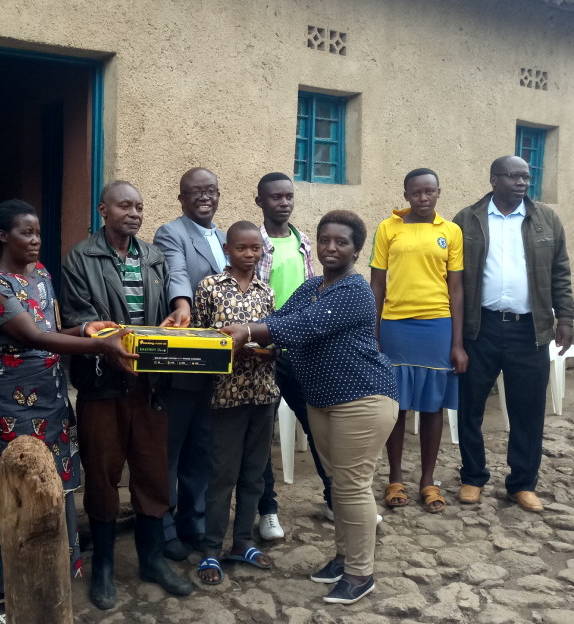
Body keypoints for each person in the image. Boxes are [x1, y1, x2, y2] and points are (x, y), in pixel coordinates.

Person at [0, 199, 134, 623]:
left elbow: (52, 331)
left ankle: (48, 577)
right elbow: (30, 336)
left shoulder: (41, 275)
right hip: (4, 401)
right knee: (7, 490)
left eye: (38, 232)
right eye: (25, 232)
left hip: (50, 398)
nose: (35, 240)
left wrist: (87, 328)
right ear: (3, 236)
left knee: (54, 487)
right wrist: (100, 346)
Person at [225, 210, 398, 605]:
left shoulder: (356, 290)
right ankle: (344, 558)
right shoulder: (312, 286)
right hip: (322, 400)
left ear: (356, 250)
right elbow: (280, 319)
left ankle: (360, 573)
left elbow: (305, 326)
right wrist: (249, 336)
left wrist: (248, 333)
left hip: (362, 398)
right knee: (339, 483)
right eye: (324, 240)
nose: (330, 248)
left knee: (352, 485)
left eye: (341, 242)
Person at [62, 180, 193, 610]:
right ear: (103, 210)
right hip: (103, 384)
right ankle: (102, 566)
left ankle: (151, 560)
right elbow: (80, 317)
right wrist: (113, 346)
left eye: (138, 206)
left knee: (153, 473)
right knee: (102, 474)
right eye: (124, 206)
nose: (134, 213)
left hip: (150, 385)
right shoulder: (80, 258)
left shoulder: (153, 257)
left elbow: (166, 311)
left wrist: (176, 316)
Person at [453, 155, 574, 512]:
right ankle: (473, 477)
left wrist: (566, 318)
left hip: (530, 330)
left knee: (529, 410)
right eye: (513, 176)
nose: (522, 183)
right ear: (494, 179)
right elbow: (452, 276)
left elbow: (560, 272)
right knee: (470, 406)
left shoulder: (546, 219)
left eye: (526, 177)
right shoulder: (467, 219)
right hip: (481, 327)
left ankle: (522, 484)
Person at [370, 168, 467, 514]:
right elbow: (377, 285)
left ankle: (427, 480)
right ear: (406, 195)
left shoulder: (451, 232)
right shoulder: (388, 228)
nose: (423, 198)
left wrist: (457, 343)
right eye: (416, 192)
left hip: (437, 326)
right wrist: (373, 332)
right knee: (396, 404)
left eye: (429, 191)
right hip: (396, 325)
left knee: (432, 404)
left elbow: (456, 289)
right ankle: (395, 478)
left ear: (438, 192)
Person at [192, 221, 279, 585]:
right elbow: (198, 338)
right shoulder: (210, 287)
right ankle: (211, 549)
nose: (249, 254)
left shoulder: (266, 291)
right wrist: (225, 349)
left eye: (255, 248)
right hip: (225, 396)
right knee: (222, 474)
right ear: (227, 250)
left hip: (263, 392)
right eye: (242, 248)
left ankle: (242, 541)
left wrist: (266, 351)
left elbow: (273, 337)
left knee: (254, 473)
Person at [252, 171, 337, 539]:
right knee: (261, 435)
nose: (283, 202)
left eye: (288, 196)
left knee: (318, 428)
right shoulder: (252, 241)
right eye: (275, 197)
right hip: (262, 351)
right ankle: (267, 511)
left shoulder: (303, 241)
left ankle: (336, 500)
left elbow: (314, 289)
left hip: (300, 352)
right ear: (260, 202)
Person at [152, 167, 227, 560]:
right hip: (184, 358)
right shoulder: (172, 233)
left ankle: (193, 521)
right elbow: (175, 272)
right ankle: (163, 525)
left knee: (203, 445)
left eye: (210, 190)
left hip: (219, 362)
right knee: (171, 446)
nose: (204, 197)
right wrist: (182, 305)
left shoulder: (227, 238)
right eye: (195, 192)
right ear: (181, 198)